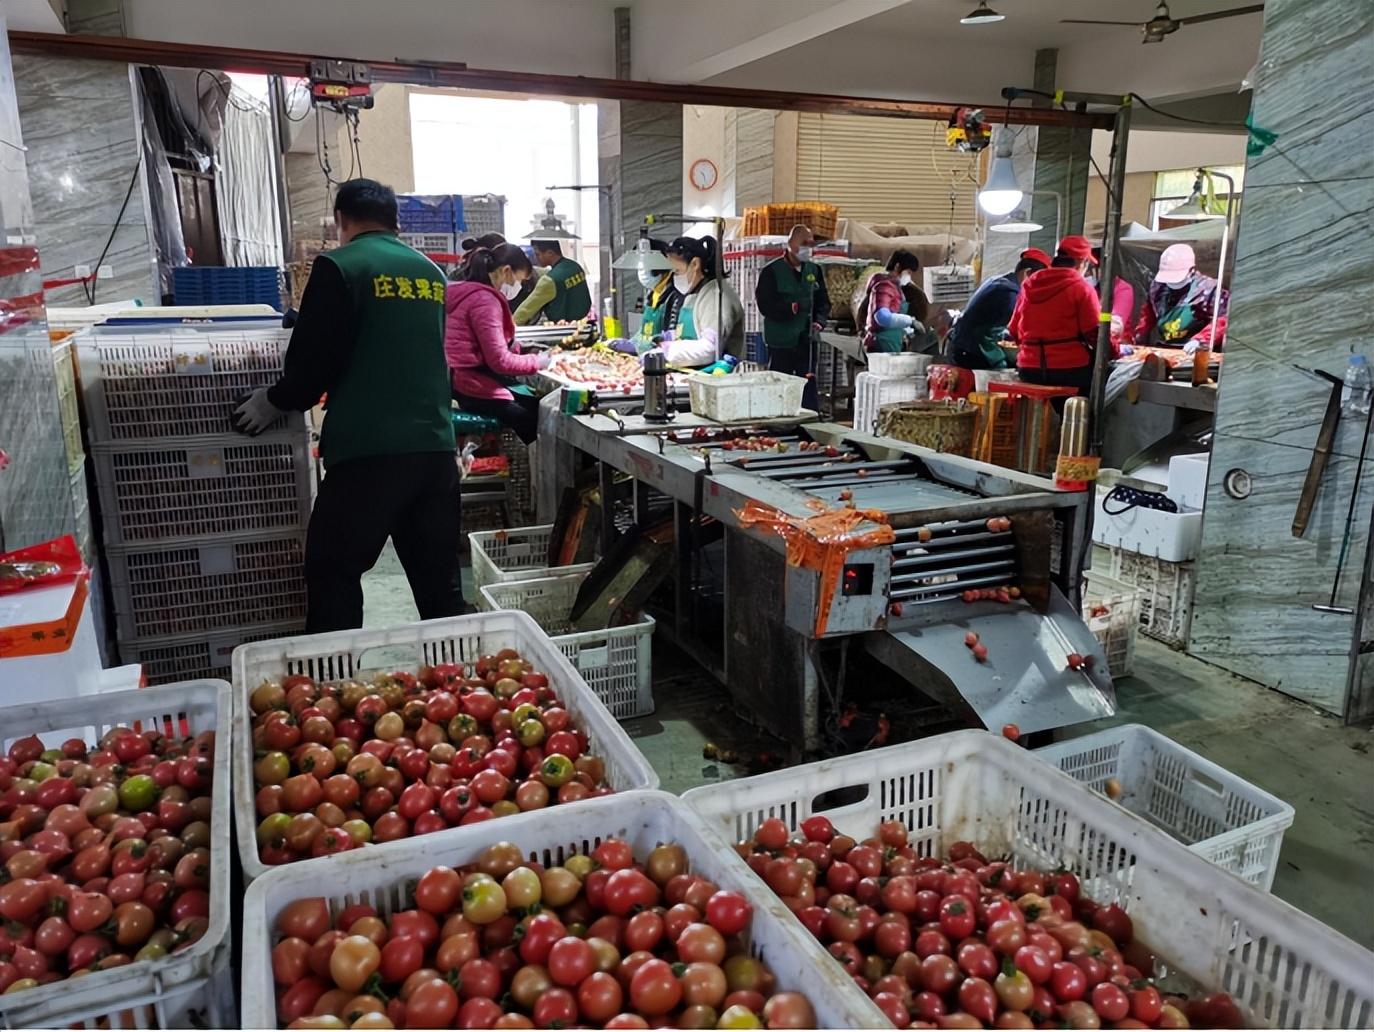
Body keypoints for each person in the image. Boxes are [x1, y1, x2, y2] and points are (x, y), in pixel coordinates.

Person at [232, 178, 461, 633]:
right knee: (440, 590)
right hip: (435, 451)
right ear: (394, 221)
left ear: (342, 220)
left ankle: (333, 690)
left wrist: (276, 400)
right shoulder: (433, 274)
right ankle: (466, 688)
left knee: (333, 573)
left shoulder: (340, 266)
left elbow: (316, 358)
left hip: (367, 454)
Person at [446, 243, 553, 444]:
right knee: (538, 417)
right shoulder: (485, 301)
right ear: (506, 271)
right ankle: (549, 472)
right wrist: (538, 361)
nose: (519, 287)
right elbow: (500, 362)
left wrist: (523, 349)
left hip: (458, 380)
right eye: (520, 280)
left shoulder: (466, 292)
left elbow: (486, 342)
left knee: (535, 404)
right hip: (472, 385)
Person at [1006, 235, 1104, 396]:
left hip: (1028, 370)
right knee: (1099, 387)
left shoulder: (1029, 285)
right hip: (1070, 371)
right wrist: (1114, 351)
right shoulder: (1082, 288)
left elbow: (1013, 329)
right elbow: (1094, 332)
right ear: (1081, 262)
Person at [755, 225, 831, 406]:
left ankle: (808, 424)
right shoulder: (771, 272)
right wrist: (792, 308)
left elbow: (824, 302)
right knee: (780, 385)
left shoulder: (814, 270)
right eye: (803, 244)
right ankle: (778, 423)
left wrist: (819, 321)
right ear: (790, 244)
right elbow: (765, 305)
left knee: (808, 384)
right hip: (781, 341)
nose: (808, 249)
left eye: (811, 244)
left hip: (806, 340)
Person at [646, 235, 744, 367]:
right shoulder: (694, 293)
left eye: (677, 271)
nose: (674, 277)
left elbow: (709, 348)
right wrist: (665, 338)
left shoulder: (716, 296)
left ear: (695, 264)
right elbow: (690, 332)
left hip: (717, 378)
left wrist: (667, 351)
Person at [947, 248, 1051, 370]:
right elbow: (985, 335)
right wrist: (1000, 364)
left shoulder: (998, 281)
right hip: (970, 353)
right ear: (1027, 274)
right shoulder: (1010, 294)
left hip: (961, 346)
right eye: (1039, 282)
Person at [1133, 243, 1228, 352]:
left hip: (1198, 353)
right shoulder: (1158, 289)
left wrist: (1201, 340)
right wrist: (1138, 339)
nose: (1172, 282)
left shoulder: (1209, 290)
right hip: (1166, 349)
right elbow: (1147, 317)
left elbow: (1224, 320)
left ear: (1191, 270)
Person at [858, 250, 933, 353]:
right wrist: (911, 321)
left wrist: (906, 330)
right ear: (897, 267)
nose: (909, 277)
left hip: (891, 343)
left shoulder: (896, 288)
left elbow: (895, 315)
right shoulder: (884, 286)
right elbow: (882, 317)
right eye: (908, 272)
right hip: (882, 343)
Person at [514, 238, 592, 326]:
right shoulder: (575, 266)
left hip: (562, 328)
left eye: (538, 254)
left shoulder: (549, 280)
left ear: (550, 253)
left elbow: (525, 310)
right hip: (582, 324)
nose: (536, 258)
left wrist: (511, 324)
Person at [637, 239, 683, 343]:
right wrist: (634, 342)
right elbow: (643, 333)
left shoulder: (675, 294)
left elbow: (672, 335)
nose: (642, 273)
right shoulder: (653, 293)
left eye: (645, 267)